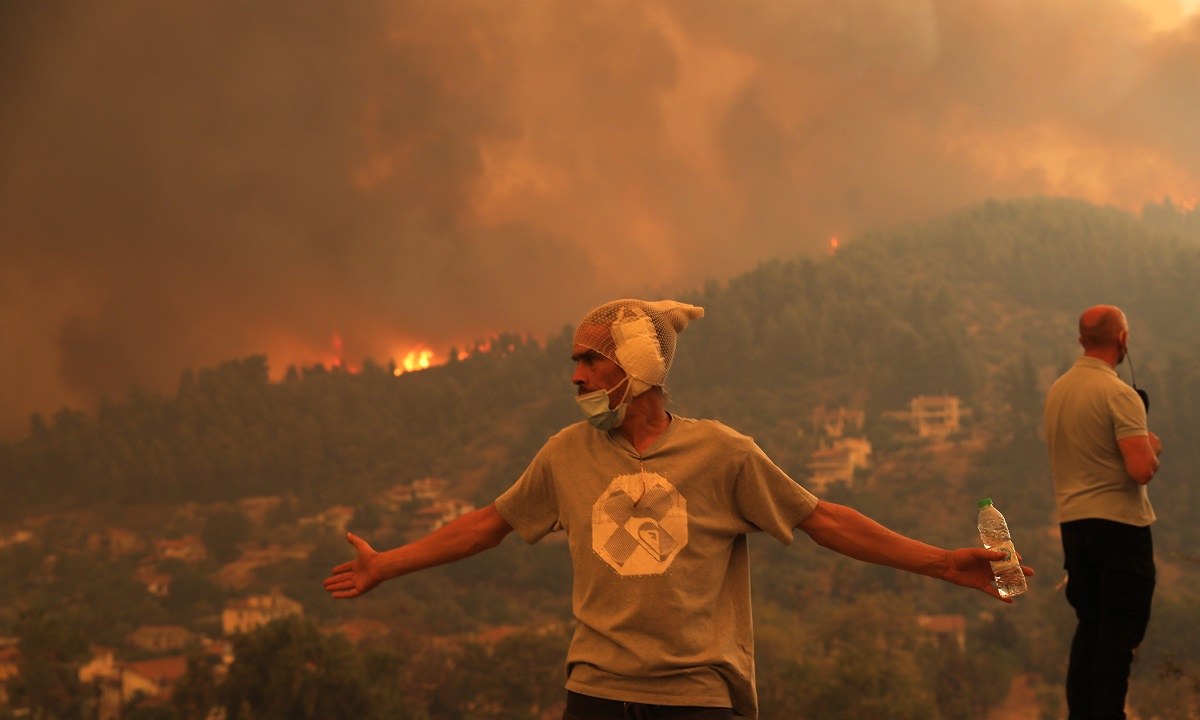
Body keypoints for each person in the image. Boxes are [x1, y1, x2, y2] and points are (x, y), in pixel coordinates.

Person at [325, 298, 1034, 719]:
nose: (575, 375)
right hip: (596, 693)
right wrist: (389, 564)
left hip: (696, 701)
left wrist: (946, 563)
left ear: (639, 368)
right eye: (573, 362)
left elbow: (826, 521)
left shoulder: (723, 454)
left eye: (591, 360)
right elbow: (487, 524)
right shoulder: (564, 454)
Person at [1043, 304, 1162, 720]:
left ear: (1082, 340)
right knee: (1120, 630)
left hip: (1074, 526)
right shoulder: (1119, 394)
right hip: (1120, 526)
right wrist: (1153, 448)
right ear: (1122, 339)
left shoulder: (1058, 391)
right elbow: (1140, 469)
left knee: (1090, 626)